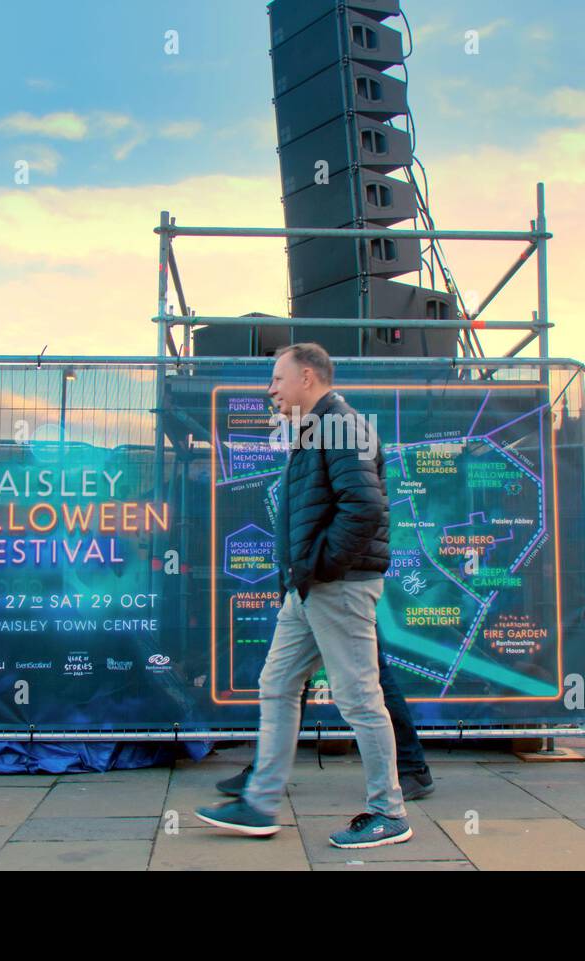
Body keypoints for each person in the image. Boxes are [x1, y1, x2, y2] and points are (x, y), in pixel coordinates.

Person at [196, 344, 412, 848]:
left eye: (278, 378)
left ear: (308, 377)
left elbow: (364, 508)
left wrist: (321, 567)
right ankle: (260, 803)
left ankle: (390, 813)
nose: (270, 389)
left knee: (359, 699)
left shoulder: (341, 426)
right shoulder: (316, 429)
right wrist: (306, 575)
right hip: (310, 587)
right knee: (276, 683)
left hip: (336, 585)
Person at [213, 627, 435, 801]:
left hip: (332, 592)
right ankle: (264, 777)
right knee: (285, 678)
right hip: (310, 592)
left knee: (366, 675)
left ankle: (405, 777)